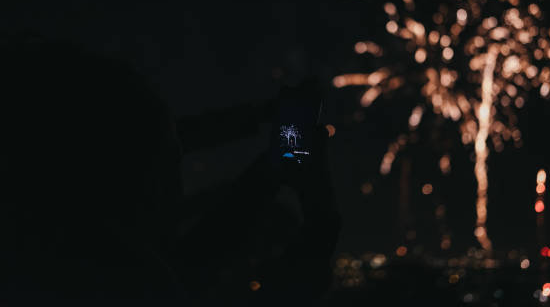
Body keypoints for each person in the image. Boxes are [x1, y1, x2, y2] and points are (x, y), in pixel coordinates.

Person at [0, 36, 340, 306]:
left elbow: (187, 267)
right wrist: (320, 222)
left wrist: (268, 168)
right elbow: (188, 268)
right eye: (171, 163)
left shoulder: (40, 257)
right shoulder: (120, 281)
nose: (178, 191)